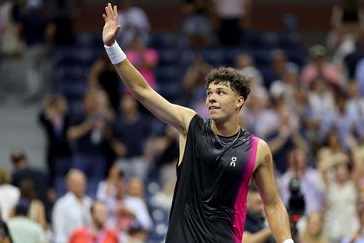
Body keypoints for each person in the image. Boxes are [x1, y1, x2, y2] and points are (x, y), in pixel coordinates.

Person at [101, 3, 293, 243]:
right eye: (209, 93)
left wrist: (287, 241)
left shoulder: (257, 149)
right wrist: (112, 47)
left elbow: (273, 204)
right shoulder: (190, 124)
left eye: (221, 92)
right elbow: (142, 90)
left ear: (239, 101)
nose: (212, 97)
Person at [52, 169, 92, 243]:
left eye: (82, 183)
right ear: (68, 185)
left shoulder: (89, 202)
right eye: (77, 184)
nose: (80, 186)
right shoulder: (61, 204)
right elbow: (59, 233)